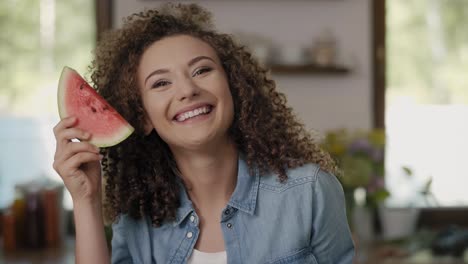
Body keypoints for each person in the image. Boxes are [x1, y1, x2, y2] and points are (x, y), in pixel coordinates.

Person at [53, 3, 354, 264]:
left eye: (202, 70)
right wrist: (86, 202)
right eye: (160, 83)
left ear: (233, 88)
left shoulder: (310, 190)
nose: (188, 90)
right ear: (143, 117)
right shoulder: (137, 213)